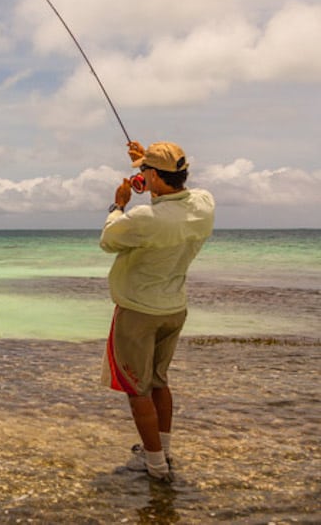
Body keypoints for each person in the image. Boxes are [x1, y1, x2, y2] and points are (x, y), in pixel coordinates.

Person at [99, 141, 215, 482]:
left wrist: (118, 205)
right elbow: (170, 205)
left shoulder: (143, 218)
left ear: (154, 177)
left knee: (138, 390)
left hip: (137, 311)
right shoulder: (204, 204)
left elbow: (109, 240)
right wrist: (145, 168)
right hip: (174, 309)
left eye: (146, 173)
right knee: (159, 382)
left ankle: (155, 467)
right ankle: (162, 450)